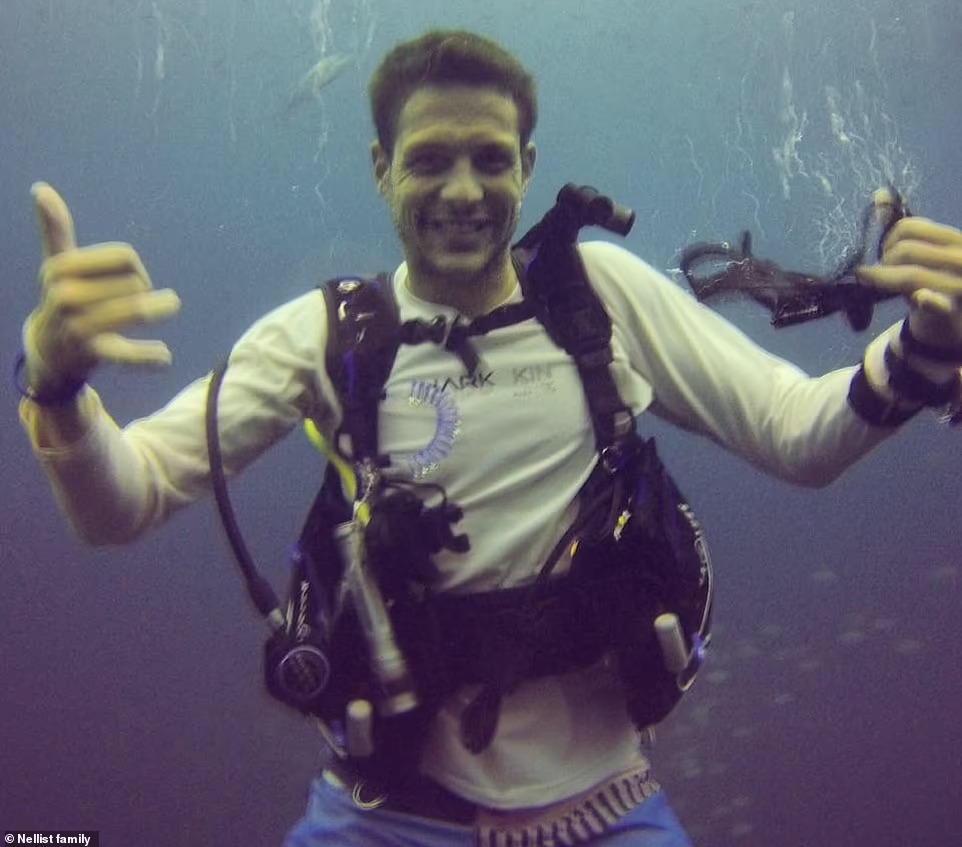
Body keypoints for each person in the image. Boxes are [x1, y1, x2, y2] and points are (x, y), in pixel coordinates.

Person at [17, 29, 962, 847]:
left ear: (528, 166)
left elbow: (797, 435)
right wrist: (55, 387)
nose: (463, 188)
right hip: (379, 814)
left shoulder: (600, 293)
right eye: (429, 159)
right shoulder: (324, 337)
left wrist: (923, 347)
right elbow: (124, 502)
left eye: (491, 158)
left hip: (611, 809)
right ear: (381, 167)